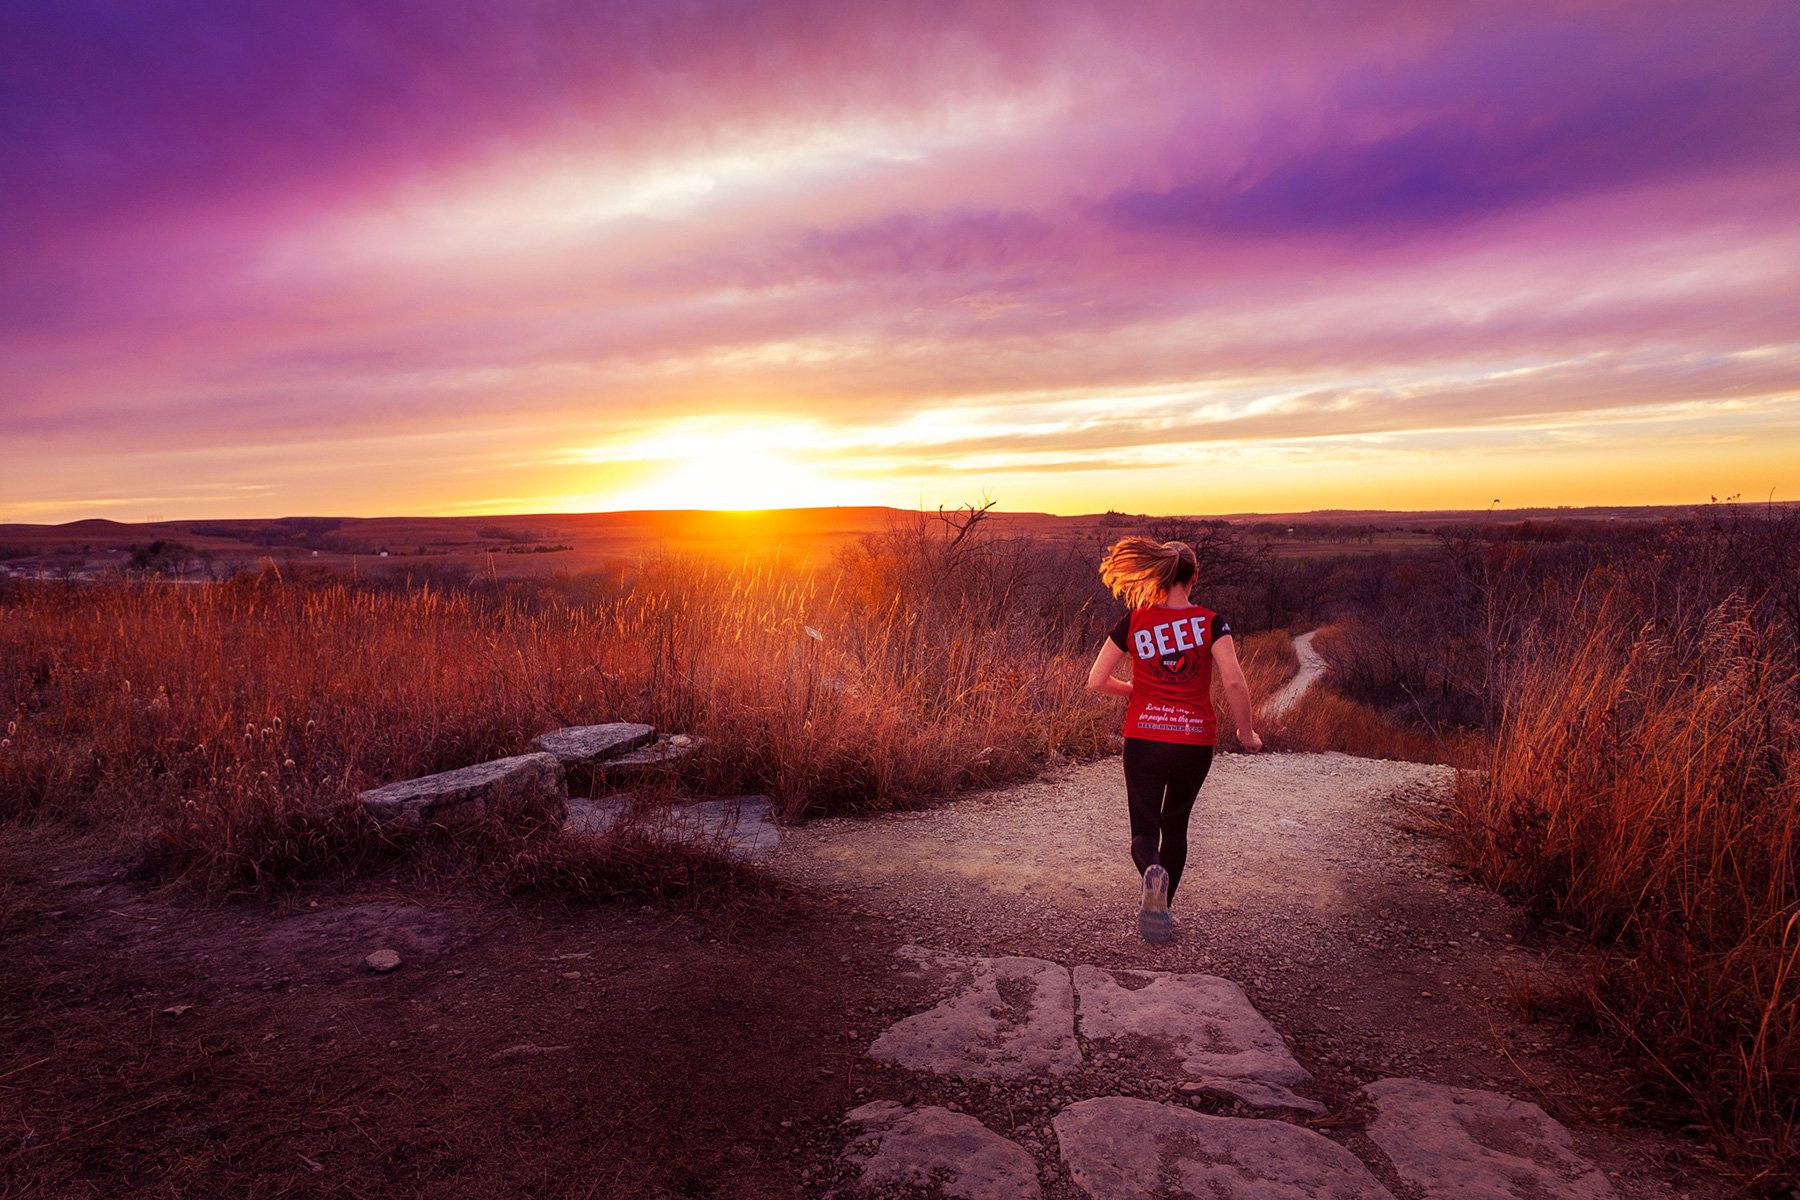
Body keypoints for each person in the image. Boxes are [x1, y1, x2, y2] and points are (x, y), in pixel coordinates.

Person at [1085, 537, 1262, 944]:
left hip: (1144, 738)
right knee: (1175, 827)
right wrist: (1246, 732)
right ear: (1194, 577)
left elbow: (1095, 680)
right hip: (1194, 740)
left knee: (1143, 835)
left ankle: (1151, 871)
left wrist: (1134, 690)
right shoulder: (1211, 622)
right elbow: (1234, 680)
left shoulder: (1133, 622)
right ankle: (1163, 910)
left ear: (1158, 575)